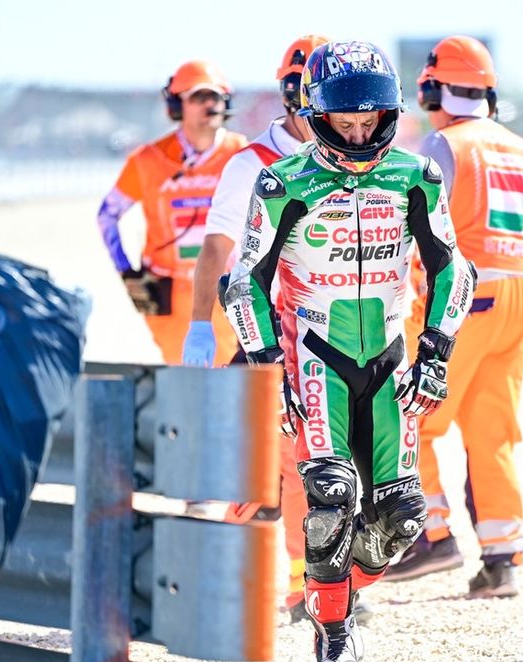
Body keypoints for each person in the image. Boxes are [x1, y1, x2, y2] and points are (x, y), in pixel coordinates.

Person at [222, 40, 475, 662]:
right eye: (345, 122)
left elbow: (454, 270)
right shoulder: (283, 182)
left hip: (392, 361)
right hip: (316, 361)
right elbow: (243, 281)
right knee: (329, 501)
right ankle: (335, 634)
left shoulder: (418, 175)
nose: (360, 133)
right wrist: (262, 366)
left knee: (402, 520)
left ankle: (324, 586)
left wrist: (437, 352)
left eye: (371, 120)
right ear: (316, 114)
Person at [181, 34, 352, 624]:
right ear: (292, 95)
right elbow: (215, 253)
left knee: (314, 467)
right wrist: (200, 328)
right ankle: (222, 576)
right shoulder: (249, 166)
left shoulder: (347, 159)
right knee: (267, 473)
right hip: (268, 339)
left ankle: (311, 588)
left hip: (334, 337)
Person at [383, 36, 523, 598]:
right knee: (491, 433)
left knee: (409, 418)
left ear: (433, 88)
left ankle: (431, 537)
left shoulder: (443, 145)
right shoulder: (522, 149)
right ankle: (502, 559)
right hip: (516, 301)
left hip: (463, 302)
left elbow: (414, 228)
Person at [98, 60, 245, 364]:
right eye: (198, 97)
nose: (209, 104)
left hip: (230, 289)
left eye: (215, 96)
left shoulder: (243, 155)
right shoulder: (147, 160)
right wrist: (127, 271)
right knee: (186, 386)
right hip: (170, 294)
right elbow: (107, 215)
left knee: (234, 385)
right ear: (176, 105)